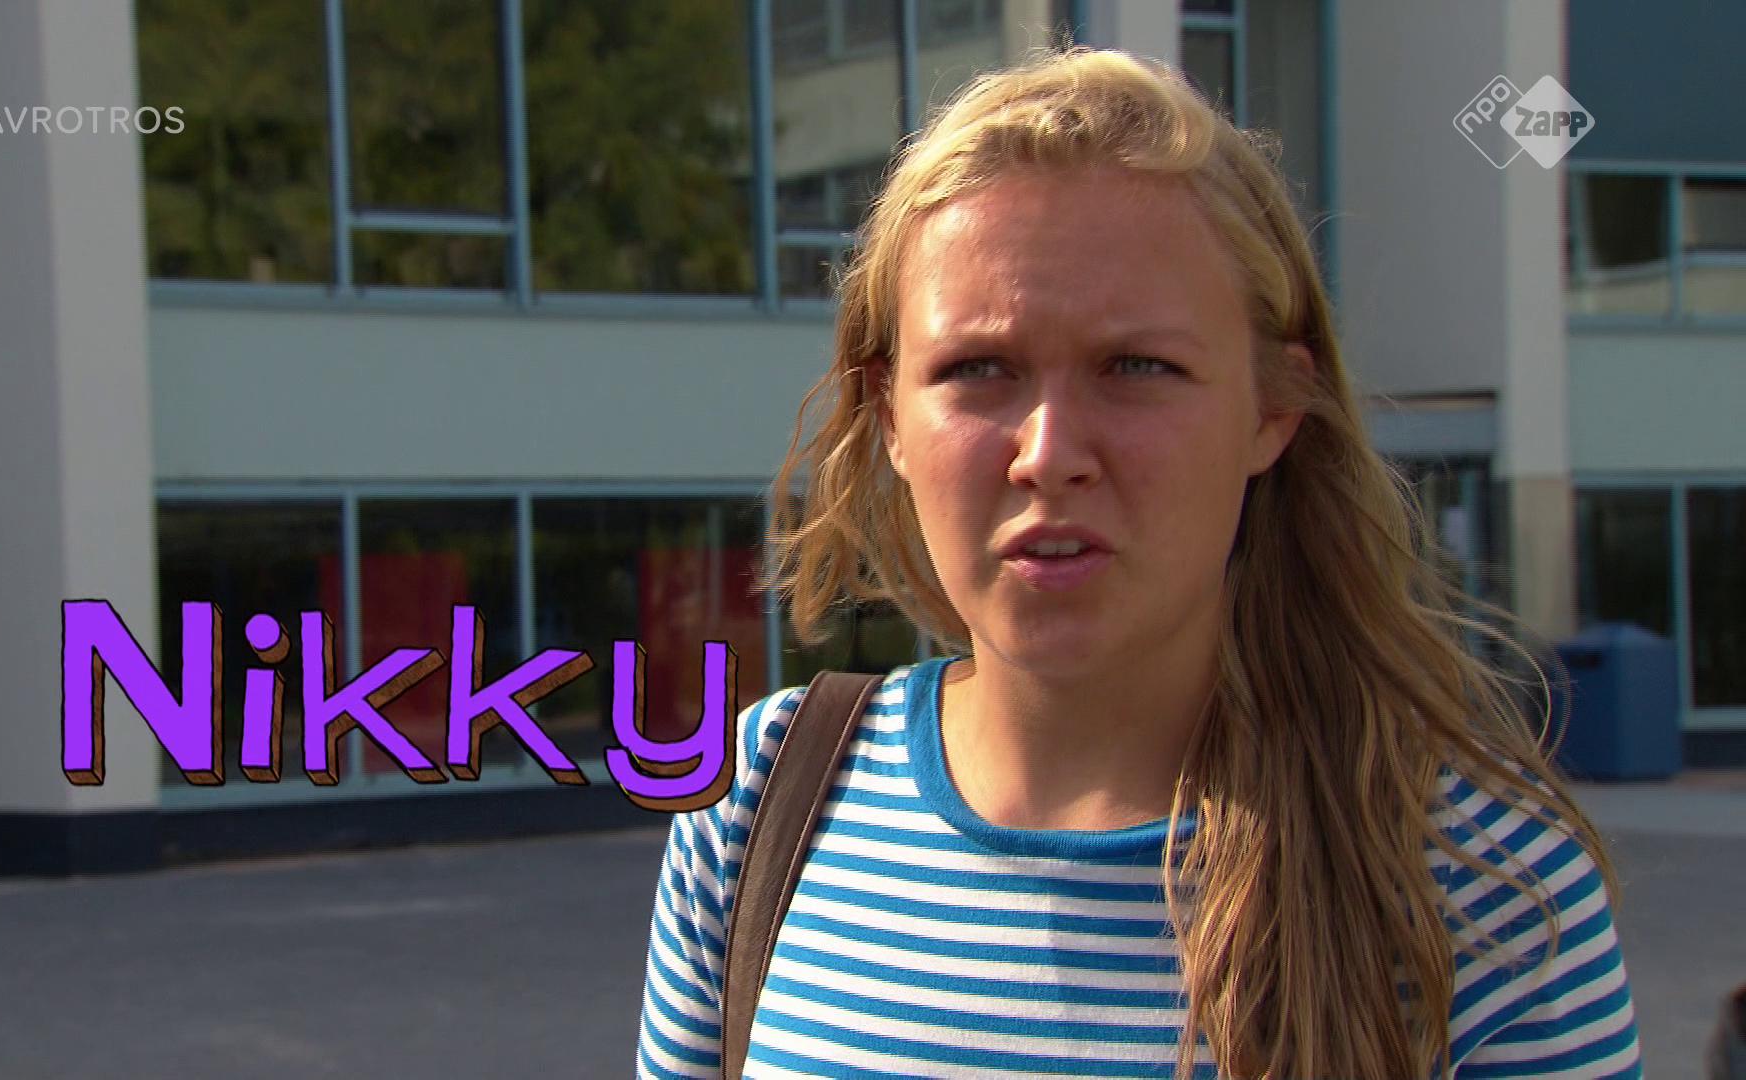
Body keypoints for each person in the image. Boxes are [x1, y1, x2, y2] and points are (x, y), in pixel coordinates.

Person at [635, 48, 1641, 1079]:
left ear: (1273, 407)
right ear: (889, 415)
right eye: (979, 368)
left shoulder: (1484, 886)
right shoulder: (758, 805)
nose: (1048, 454)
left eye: (1136, 366)